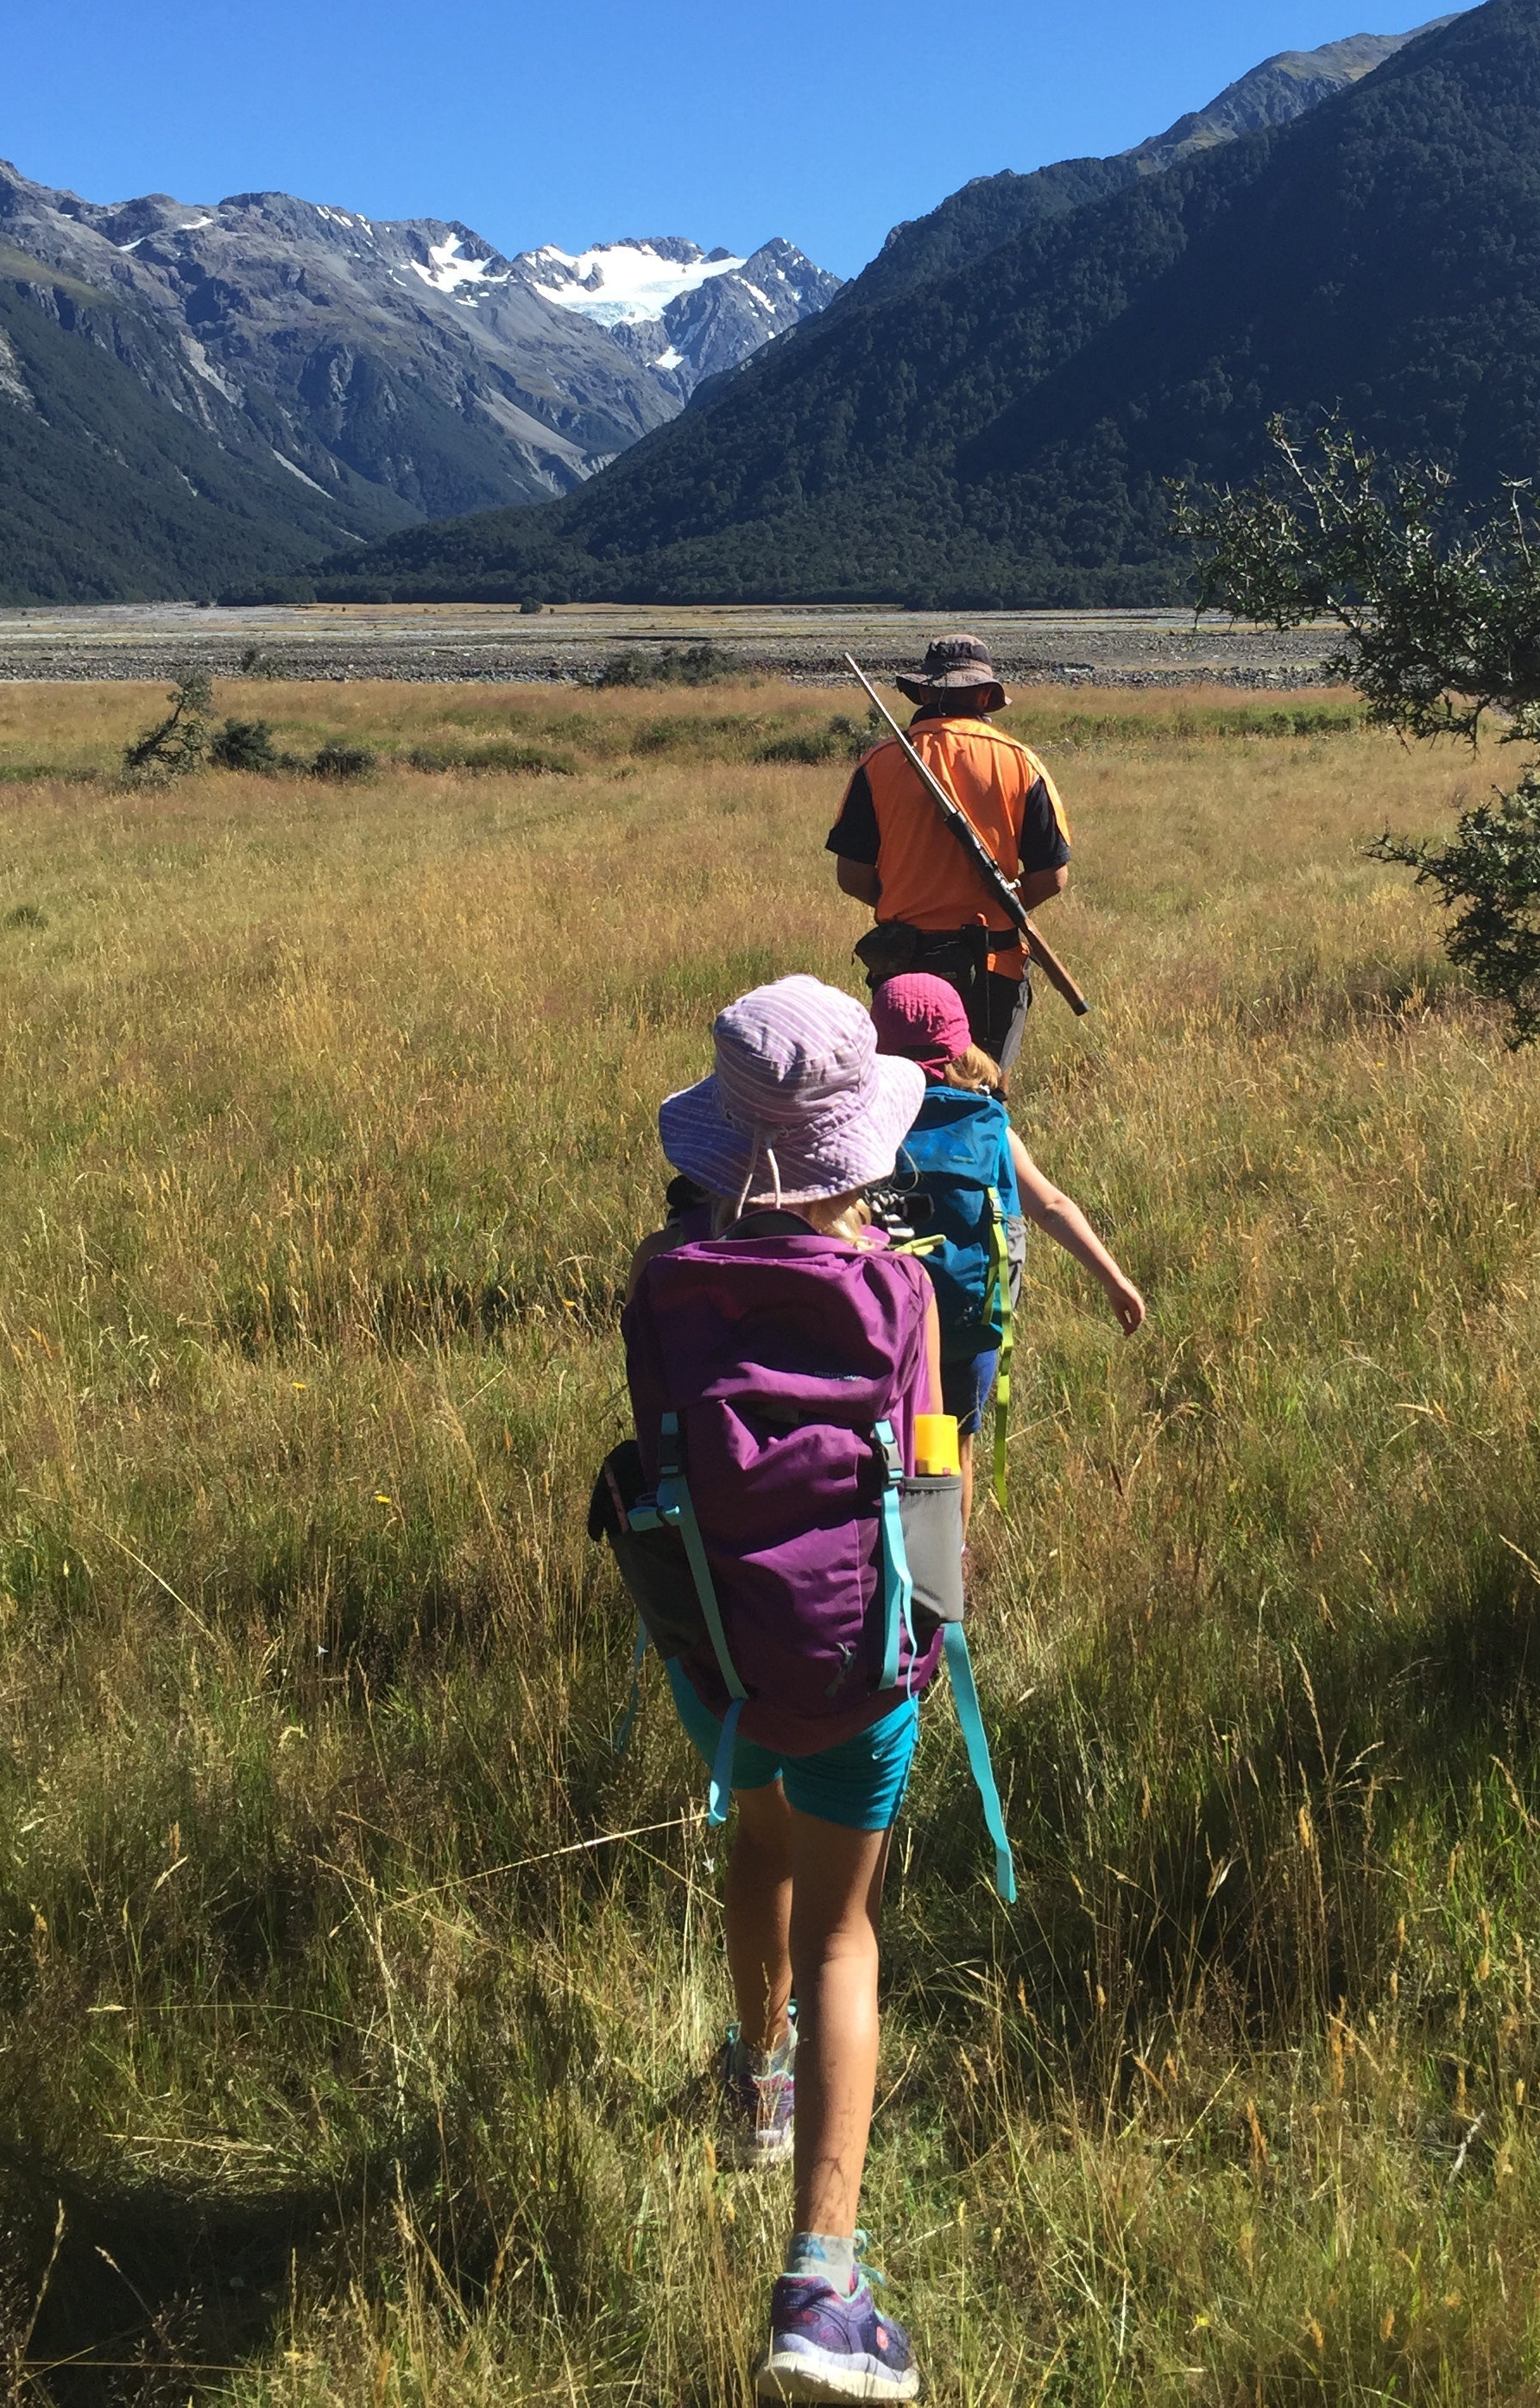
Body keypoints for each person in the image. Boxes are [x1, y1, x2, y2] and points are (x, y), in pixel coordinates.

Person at [618, 977, 942, 2404]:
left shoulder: (659, 1282)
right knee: (845, 1930)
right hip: (863, 1660)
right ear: (855, 1149)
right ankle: (822, 2279)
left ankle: (756, 2081)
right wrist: (936, 1623)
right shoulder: (900, 1286)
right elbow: (931, 1470)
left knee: (752, 1848)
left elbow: (664, 1450)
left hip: (721, 1659)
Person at [869, 972, 1145, 1516]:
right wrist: (1114, 1280)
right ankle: (949, 1568)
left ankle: (886, 1555)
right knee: (952, 1448)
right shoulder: (989, 1127)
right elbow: (1052, 1207)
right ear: (962, 1045)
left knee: (885, 1441)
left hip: (883, 1324)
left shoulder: (866, 1123)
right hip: (969, 1323)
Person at [827, 633, 1071, 1077]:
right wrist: (1003, 906)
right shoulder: (1021, 762)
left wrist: (907, 901)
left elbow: (852, 876)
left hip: (902, 964)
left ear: (921, 690)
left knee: (900, 1095)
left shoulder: (878, 762)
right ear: (984, 694)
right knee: (985, 1095)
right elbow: (1051, 875)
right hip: (992, 963)